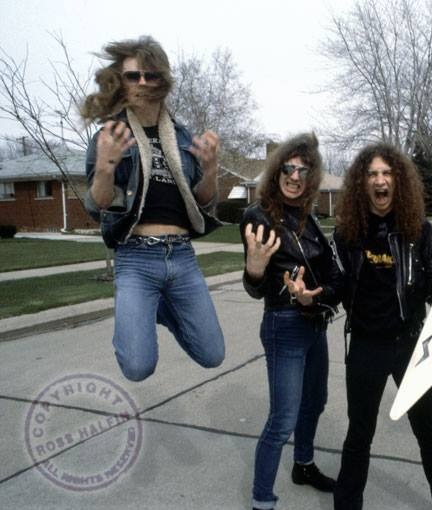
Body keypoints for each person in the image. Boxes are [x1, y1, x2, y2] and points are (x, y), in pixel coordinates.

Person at [81, 36, 224, 382]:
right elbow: (98, 207)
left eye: (151, 75)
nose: (142, 83)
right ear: (121, 82)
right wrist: (105, 167)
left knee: (213, 355)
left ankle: (157, 306)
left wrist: (210, 171)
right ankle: (142, 307)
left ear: (163, 81)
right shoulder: (110, 137)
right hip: (136, 259)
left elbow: (204, 201)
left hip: (182, 256)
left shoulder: (184, 137)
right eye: (133, 76)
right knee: (137, 367)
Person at [332, 143, 432, 510]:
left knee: (428, 431)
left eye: (387, 173)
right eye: (373, 174)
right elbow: (336, 287)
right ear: (362, 183)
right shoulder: (347, 233)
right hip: (365, 347)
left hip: (410, 345)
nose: (380, 180)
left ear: (398, 181)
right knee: (359, 435)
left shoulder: (418, 230)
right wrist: (310, 296)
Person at [240, 133, 343, 510]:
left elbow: (331, 275)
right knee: (283, 419)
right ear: (277, 170)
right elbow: (257, 287)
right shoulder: (259, 216)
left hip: (314, 323)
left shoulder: (307, 218)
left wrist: (315, 295)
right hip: (284, 324)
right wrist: (254, 270)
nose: (295, 176)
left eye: (304, 170)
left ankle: (303, 465)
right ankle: (262, 500)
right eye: (289, 167)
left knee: (315, 402)